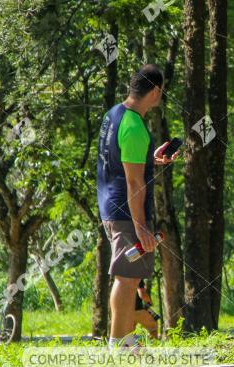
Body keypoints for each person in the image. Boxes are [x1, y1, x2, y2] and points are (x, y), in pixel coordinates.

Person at [97, 64, 178, 350]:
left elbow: (119, 160)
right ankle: (119, 344)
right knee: (127, 277)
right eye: (162, 92)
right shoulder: (135, 127)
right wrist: (142, 225)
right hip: (126, 212)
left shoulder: (114, 116)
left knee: (128, 275)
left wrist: (149, 159)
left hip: (111, 205)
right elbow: (133, 183)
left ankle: (124, 339)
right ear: (155, 91)